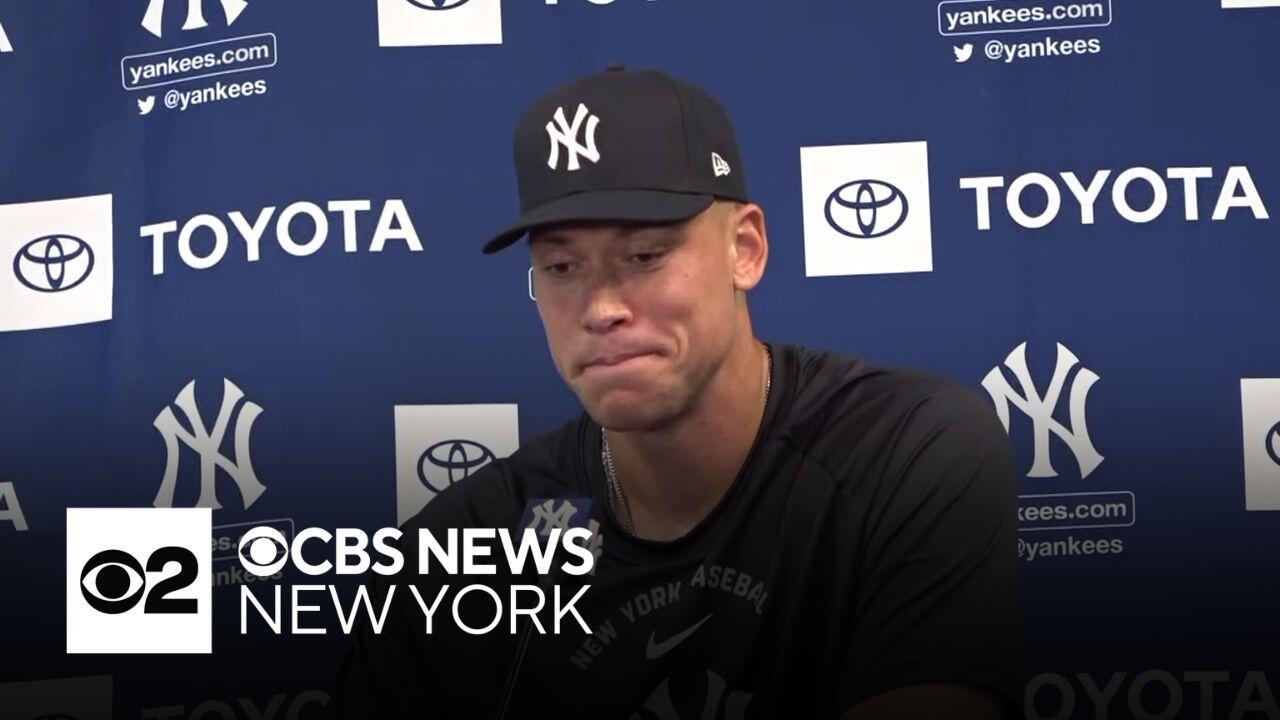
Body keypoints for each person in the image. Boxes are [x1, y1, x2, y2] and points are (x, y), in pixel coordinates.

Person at [337, 66, 1022, 719]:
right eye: (562, 267)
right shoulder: (458, 548)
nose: (600, 308)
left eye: (645, 256)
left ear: (745, 249)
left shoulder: (907, 454)